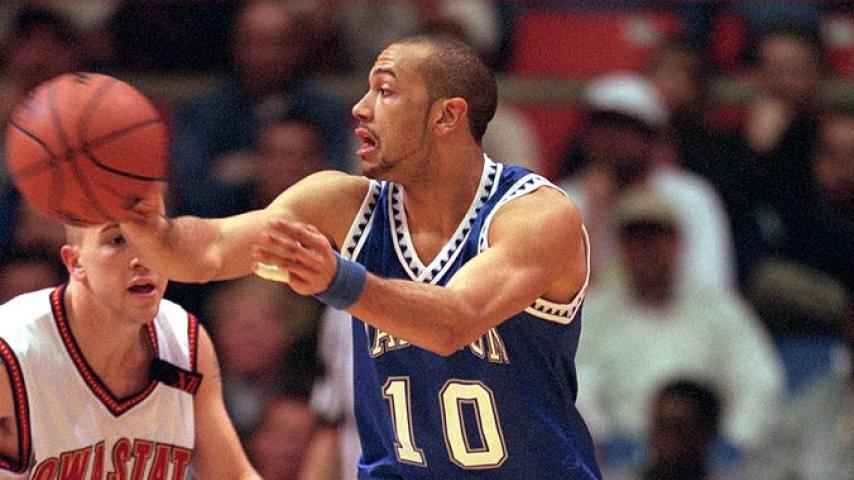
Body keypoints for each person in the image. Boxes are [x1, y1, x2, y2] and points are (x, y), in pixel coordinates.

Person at [121, 35, 601, 478]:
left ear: (446, 116)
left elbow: (454, 322)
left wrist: (339, 280)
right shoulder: (340, 204)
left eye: (385, 92)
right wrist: (146, 223)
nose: (360, 108)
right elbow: (207, 251)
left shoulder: (535, 214)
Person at [0, 223, 260, 478]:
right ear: (75, 262)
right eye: (117, 241)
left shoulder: (185, 340)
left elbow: (233, 474)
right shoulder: (12, 350)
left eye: (152, 236)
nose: (143, 259)